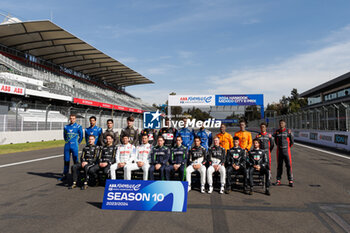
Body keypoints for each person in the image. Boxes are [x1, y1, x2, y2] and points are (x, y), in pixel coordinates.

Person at [61, 114, 83, 181]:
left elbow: (81, 136)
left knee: (75, 161)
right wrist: (67, 142)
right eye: (71, 118)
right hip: (67, 146)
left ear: (75, 119)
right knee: (66, 160)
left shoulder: (78, 126)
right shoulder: (66, 127)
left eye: (73, 118)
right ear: (69, 119)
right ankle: (65, 175)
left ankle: (77, 175)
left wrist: (77, 143)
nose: (72, 119)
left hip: (74, 146)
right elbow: (64, 136)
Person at [273, 119, 294, 187]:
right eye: (280, 123)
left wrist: (287, 148)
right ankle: (278, 180)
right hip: (279, 151)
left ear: (285, 124)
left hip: (286, 151)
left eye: (282, 123)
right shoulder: (277, 132)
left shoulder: (288, 131)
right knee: (279, 166)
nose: (281, 124)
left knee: (288, 165)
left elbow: (292, 142)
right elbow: (276, 141)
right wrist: (279, 147)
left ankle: (290, 180)